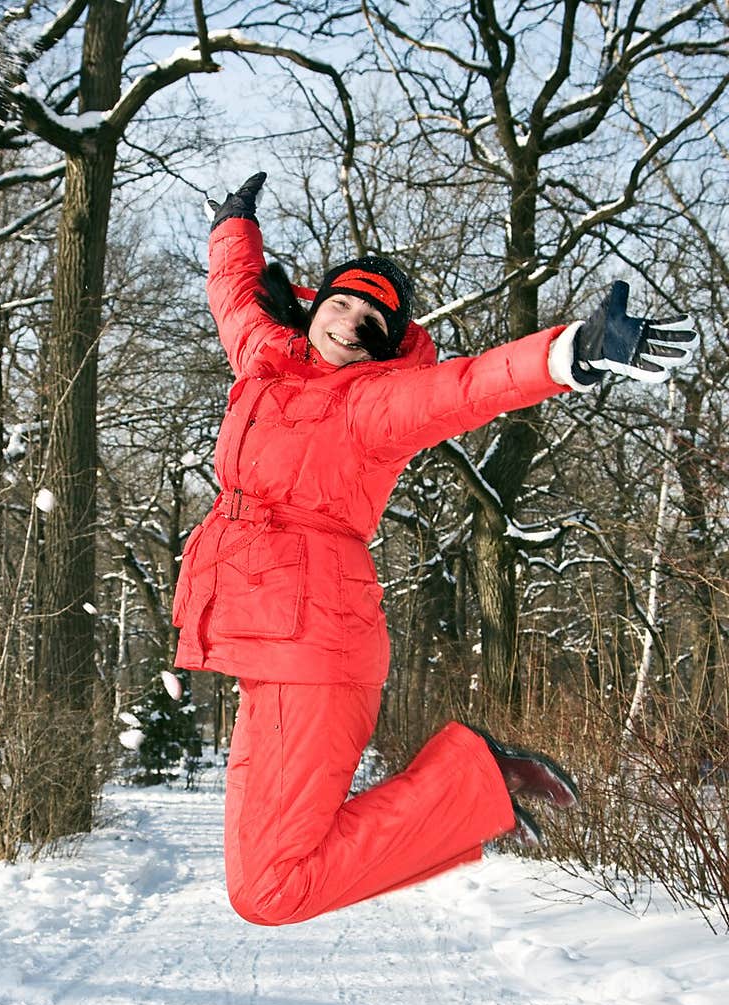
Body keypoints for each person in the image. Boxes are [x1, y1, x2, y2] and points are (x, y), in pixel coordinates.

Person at [171, 172, 697, 926]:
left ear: (386, 344)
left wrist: (571, 353)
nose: (350, 325)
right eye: (342, 304)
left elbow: (469, 387)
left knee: (270, 891)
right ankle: (468, 790)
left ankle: (470, 781)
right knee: (264, 883)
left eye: (371, 322)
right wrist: (232, 226)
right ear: (317, 304)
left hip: (312, 649)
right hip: (271, 648)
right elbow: (235, 296)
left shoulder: (376, 403)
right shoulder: (267, 362)